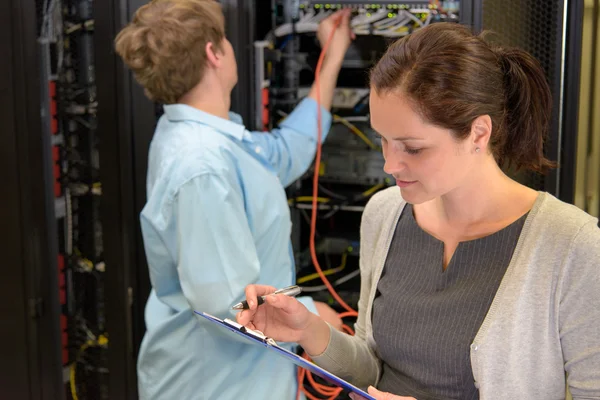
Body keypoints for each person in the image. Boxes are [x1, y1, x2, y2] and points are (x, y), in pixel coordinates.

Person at [237, 22, 600, 400]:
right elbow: (373, 368)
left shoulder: (573, 247)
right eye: (383, 140)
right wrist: (308, 330)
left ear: (479, 133)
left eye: (412, 148)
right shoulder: (384, 214)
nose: (390, 165)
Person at [114, 1, 354, 399]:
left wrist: (333, 55)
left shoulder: (198, 137)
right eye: (224, 38)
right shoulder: (200, 166)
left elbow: (282, 152)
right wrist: (313, 318)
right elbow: (231, 311)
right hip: (213, 385)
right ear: (213, 53)